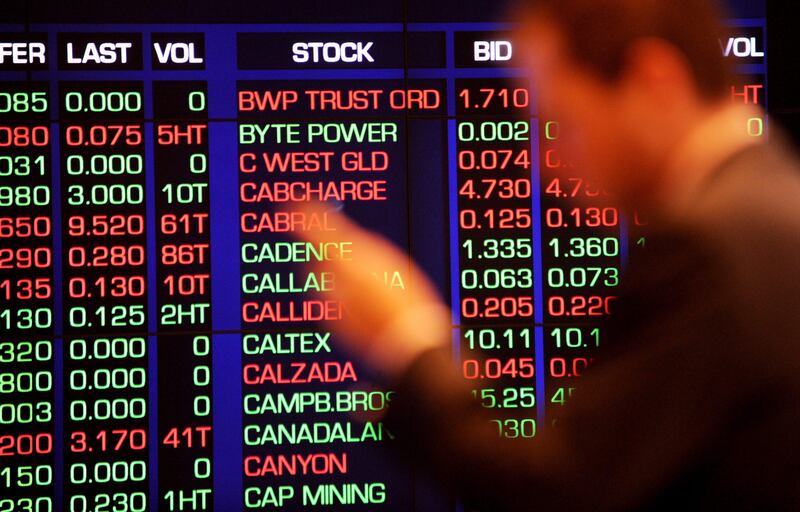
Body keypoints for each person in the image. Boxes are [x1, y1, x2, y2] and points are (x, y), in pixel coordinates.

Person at [293, 0, 800, 509]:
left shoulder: (705, 250)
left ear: (653, 80)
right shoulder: (774, 201)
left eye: (557, 123)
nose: (545, 167)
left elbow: (560, 491)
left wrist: (406, 336)